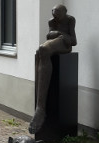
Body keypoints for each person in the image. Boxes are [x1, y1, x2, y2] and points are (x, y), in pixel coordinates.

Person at [29, 5, 76, 134]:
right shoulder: (52, 21)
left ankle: (40, 108)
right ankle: (40, 106)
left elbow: (73, 41)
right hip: (56, 42)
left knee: (43, 49)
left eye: (58, 14)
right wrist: (54, 33)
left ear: (64, 13)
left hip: (64, 45)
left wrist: (60, 33)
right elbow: (49, 35)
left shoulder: (70, 20)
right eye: (54, 14)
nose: (55, 17)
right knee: (40, 51)